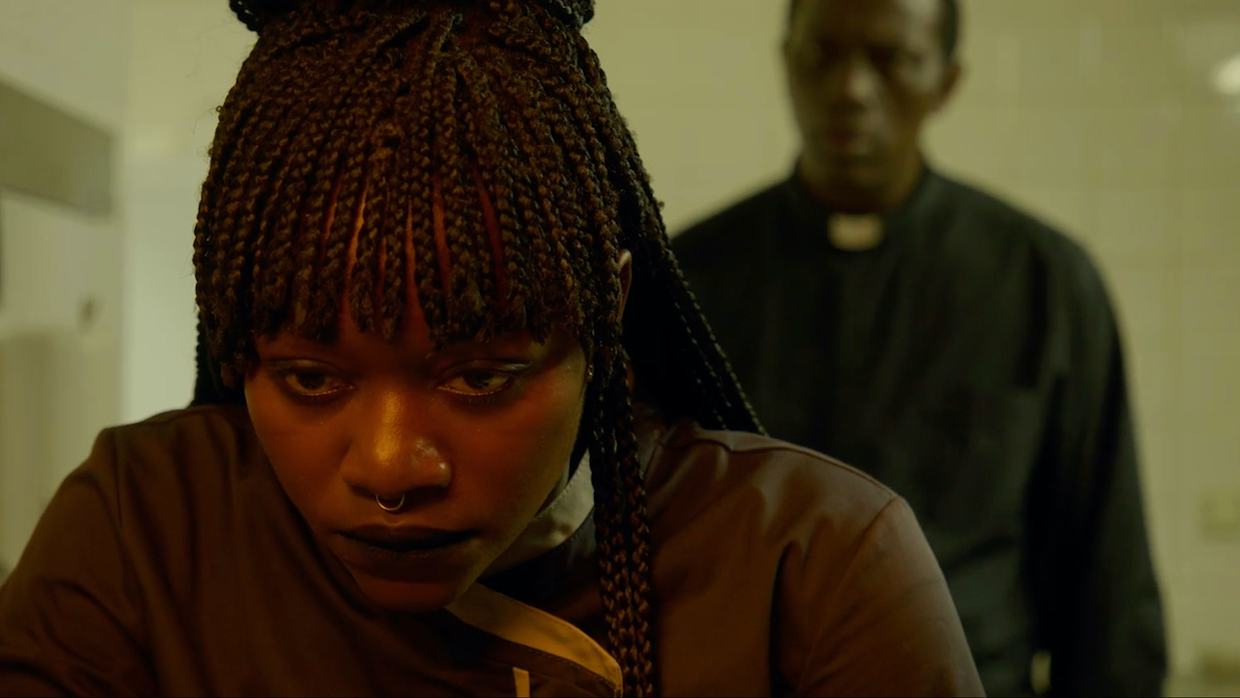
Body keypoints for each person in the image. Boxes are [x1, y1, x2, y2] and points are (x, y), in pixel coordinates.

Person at [0, 1, 983, 695]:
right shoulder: (141, 530)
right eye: (308, 377)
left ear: (607, 312)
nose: (389, 466)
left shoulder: (816, 567)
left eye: (480, 376)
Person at [672, 0, 1167, 695]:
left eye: (891, 58)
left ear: (947, 80)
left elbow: (1108, 587)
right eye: (824, 55)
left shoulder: (1042, 281)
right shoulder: (691, 279)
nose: (851, 89)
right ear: (787, 61)